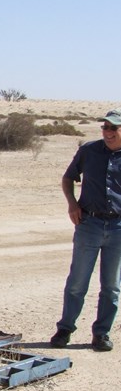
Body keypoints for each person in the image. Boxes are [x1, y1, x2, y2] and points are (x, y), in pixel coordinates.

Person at [50, 110, 121, 352]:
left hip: (118, 227)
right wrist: (72, 203)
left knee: (111, 286)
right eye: (105, 127)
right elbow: (68, 178)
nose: (108, 132)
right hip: (88, 224)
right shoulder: (89, 151)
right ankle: (65, 329)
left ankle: (101, 334)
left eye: (114, 128)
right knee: (77, 282)